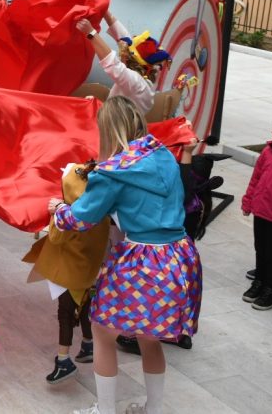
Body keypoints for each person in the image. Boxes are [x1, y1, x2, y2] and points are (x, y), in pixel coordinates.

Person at [50, 96, 202, 414]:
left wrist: (60, 210)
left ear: (109, 130)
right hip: (179, 256)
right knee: (149, 338)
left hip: (144, 261)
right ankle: (154, 409)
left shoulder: (113, 172)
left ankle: (105, 410)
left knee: (103, 330)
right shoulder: (163, 155)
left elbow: (82, 218)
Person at [23, 162, 110, 384]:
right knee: (85, 306)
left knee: (66, 312)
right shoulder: (102, 210)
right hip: (92, 268)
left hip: (69, 270)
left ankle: (63, 361)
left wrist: (56, 213)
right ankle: (88, 344)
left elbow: (56, 237)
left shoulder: (69, 217)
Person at [75, 10, 171, 114]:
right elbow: (124, 37)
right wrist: (105, 12)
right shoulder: (141, 74)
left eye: (124, 54)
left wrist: (91, 33)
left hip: (118, 127)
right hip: (114, 119)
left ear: (131, 61)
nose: (121, 55)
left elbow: (113, 65)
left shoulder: (137, 83)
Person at [242, 123, 272, 310]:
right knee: (260, 248)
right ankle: (260, 281)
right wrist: (248, 201)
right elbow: (256, 177)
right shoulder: (268, 151)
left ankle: (271, 288)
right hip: (261, 211)